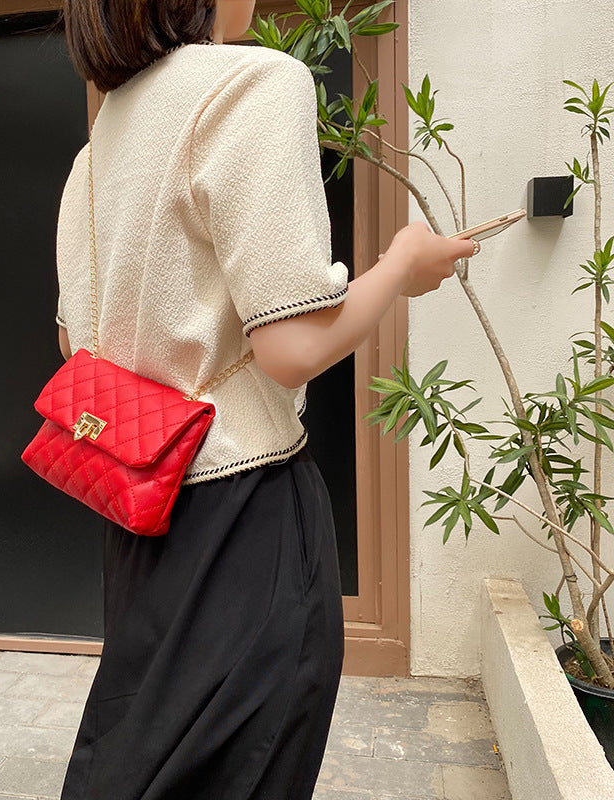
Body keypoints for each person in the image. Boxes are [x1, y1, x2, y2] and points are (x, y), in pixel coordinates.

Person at [53, 0, 479, 796]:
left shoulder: (94, 153)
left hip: (138, 516)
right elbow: (293, 349)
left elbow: (75, 343)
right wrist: (400, 265)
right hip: (243, 519)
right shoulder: (252, 84)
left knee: (136, 760)